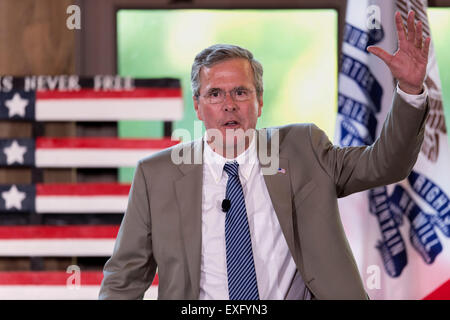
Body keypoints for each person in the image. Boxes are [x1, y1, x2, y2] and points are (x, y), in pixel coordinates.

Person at [99, 11, 430, 300]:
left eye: (240, 92)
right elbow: (123, 282)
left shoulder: (304, 149)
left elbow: (386, 164)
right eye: (215, 94)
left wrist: (411, 92)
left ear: (259, 102)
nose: (229, 104)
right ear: (198, 107)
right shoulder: (156, 176)